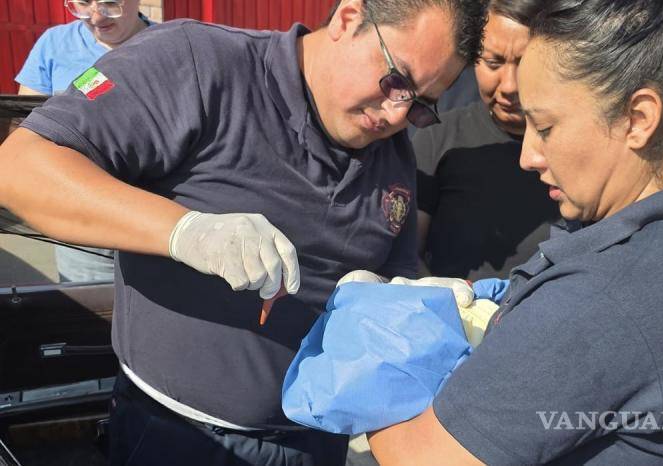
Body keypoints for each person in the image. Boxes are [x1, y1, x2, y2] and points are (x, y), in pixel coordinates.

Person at [0, 0, 488, 463]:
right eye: (395, 80)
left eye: (421, 105)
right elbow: (20, 169)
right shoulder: (197, 63)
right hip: (177, 436)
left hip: (315, 444)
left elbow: (391, 277)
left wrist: (402, 306)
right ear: (348, 18)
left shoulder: (395, 155)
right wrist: (187, 232)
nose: (398, 115)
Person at [349, 0, 663, 464]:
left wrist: (368, 350)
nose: (527, 156)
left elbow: (420, 456)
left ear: (638, 118)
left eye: (546, 127)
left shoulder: (602, 298)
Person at [413, 0, 559, 280]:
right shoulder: (438, 139)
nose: (509, 86)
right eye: (494, 63)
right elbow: (406, 253)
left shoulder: (578, 143)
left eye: (525, 62)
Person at [15, 0, 151, 282]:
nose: (96, 16)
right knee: (90, 314)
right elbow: (25, 129)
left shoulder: (172, 45)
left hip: (155, 217)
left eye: (110, 3)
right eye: (82, 3)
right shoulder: (55, 44)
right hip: (83, 222)